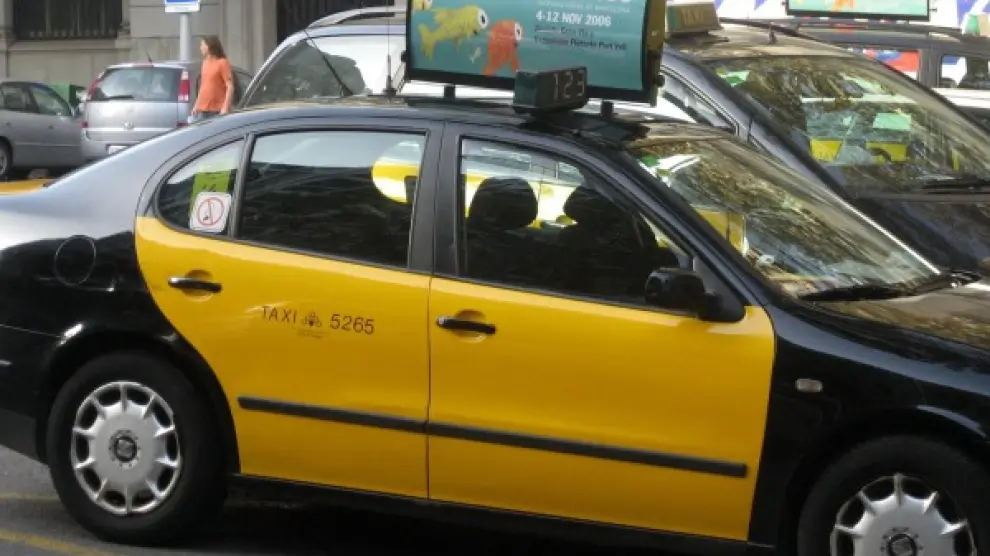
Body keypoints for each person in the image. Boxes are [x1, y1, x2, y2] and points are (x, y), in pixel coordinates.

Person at [190, 35, 233, 122]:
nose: (200, 48)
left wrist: (225, 107)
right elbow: (203, 87)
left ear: (209, 46)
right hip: (203, 109)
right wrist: (196, 106)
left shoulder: (222, 63)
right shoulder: (205, 63)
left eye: (202, 45)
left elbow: (230, 86)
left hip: (217, 110)